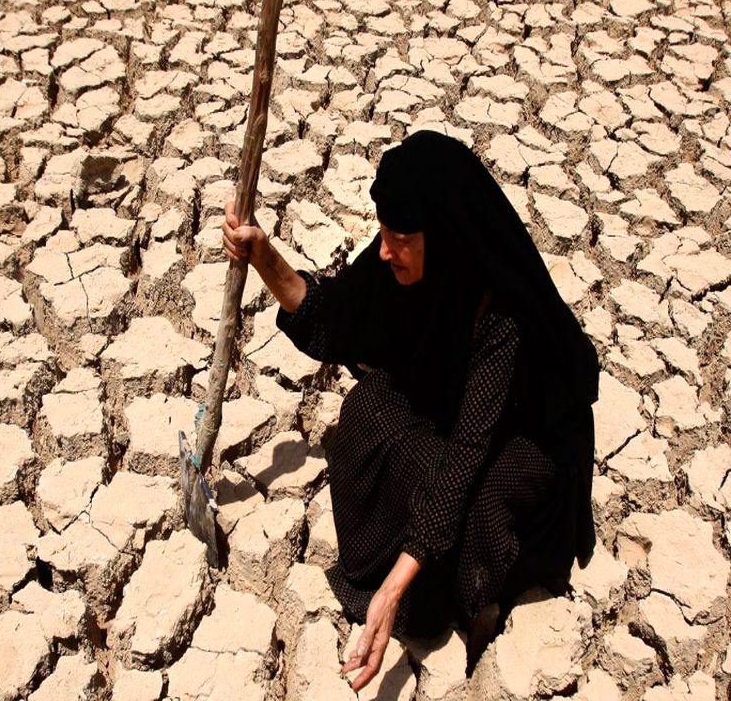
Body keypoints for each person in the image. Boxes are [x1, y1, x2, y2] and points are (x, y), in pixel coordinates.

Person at [222, 130, 599, 692]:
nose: (383, 251)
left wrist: (393, 590)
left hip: (526, 441)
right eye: (383, 233)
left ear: (442, 238)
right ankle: (413, 570)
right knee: (369, 408)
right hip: (457, 414)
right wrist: (264, 258)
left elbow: (468, 454)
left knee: (474, 512)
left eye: (399, 238)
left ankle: (469, 604)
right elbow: (336, 319)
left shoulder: (501, 316)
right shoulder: (405, 265)